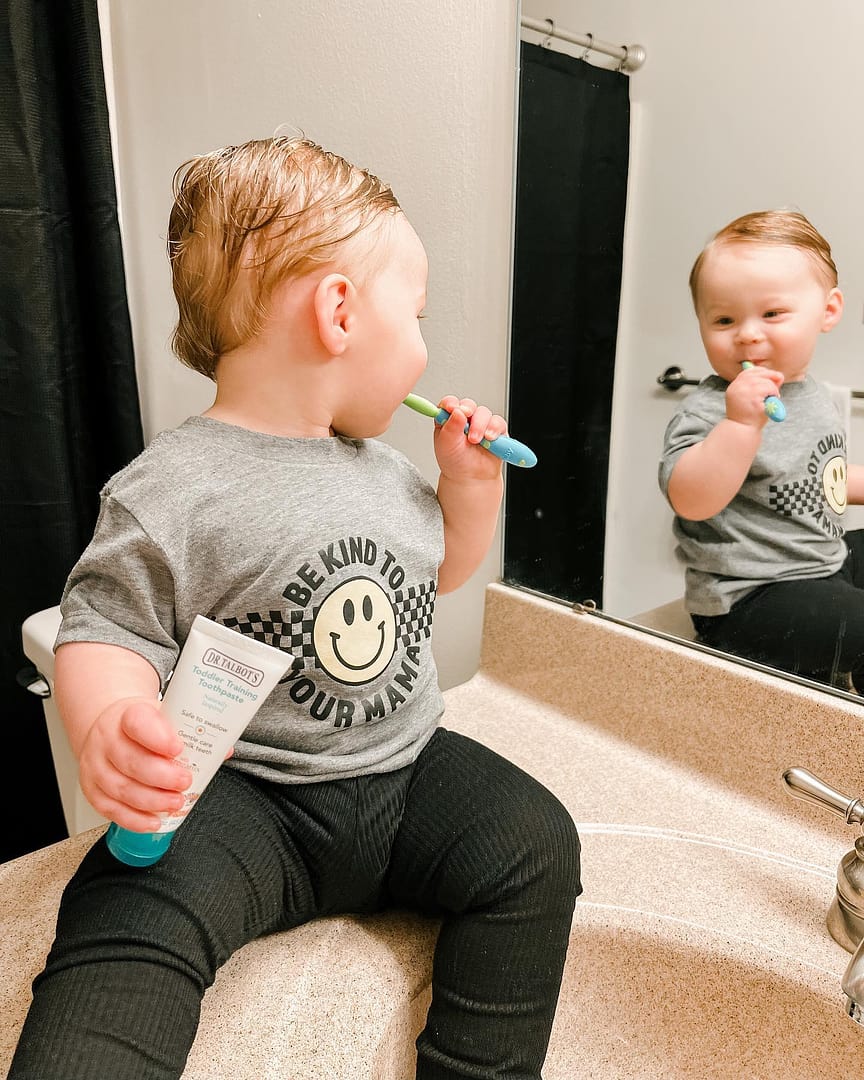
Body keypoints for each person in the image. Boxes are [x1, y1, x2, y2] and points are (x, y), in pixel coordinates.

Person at [9, 135, 581, 1080]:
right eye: (421, 314)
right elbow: (103, 627)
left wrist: (469, 491)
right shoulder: (171, 490)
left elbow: (438, 579)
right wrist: (109, 719)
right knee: (124, 915)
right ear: (341, 312)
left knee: (535, 844)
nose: (428, 347)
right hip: (249, 801)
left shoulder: (389, 470)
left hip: (405, 772)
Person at [659, 208, 864, 691]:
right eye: (724, 319)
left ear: (828, 312)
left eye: (772, 313)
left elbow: (819, 482)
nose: (748, 333)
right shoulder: (711, 410)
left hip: (820, 563)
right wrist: (739, 425)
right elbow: (690, 499)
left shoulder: (810, 394)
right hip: (748, 599)